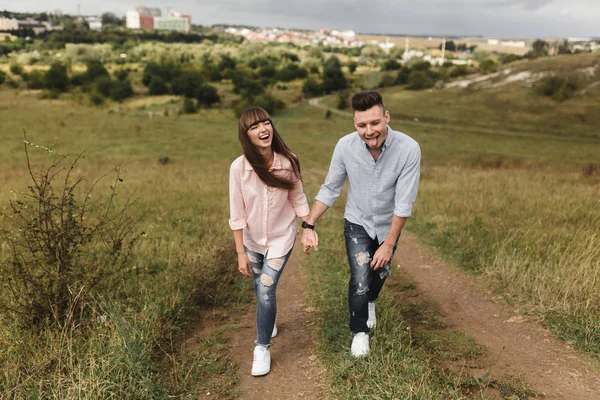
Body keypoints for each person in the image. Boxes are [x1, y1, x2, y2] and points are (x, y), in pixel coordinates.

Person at [301, 91, 421, 357]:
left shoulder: (409, 149)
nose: (369, 131)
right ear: (354, 124)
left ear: (386, 117)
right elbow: (330, 188)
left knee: (380, 274)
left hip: (389, 224)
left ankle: (371, 302)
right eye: (361, 125)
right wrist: (309, 224)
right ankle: (359, 332)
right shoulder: (345, 147)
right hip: (357, 221)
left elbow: (404, 203)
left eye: (375, 123)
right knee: (360, 278)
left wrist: (388, 244)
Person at [229, 107, 311, 376]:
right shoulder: (239, 168)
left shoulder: (289, 161)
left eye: (266, 123)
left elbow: (297, 198)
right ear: (246, 135)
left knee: (266, 288)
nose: (263, 129)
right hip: (252, 240)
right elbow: (237, 213)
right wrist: (240, 252)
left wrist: (309, 227)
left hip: (280, 238)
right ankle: (269, 320)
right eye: (254, 127)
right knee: (258, 284)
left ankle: (261, 347)